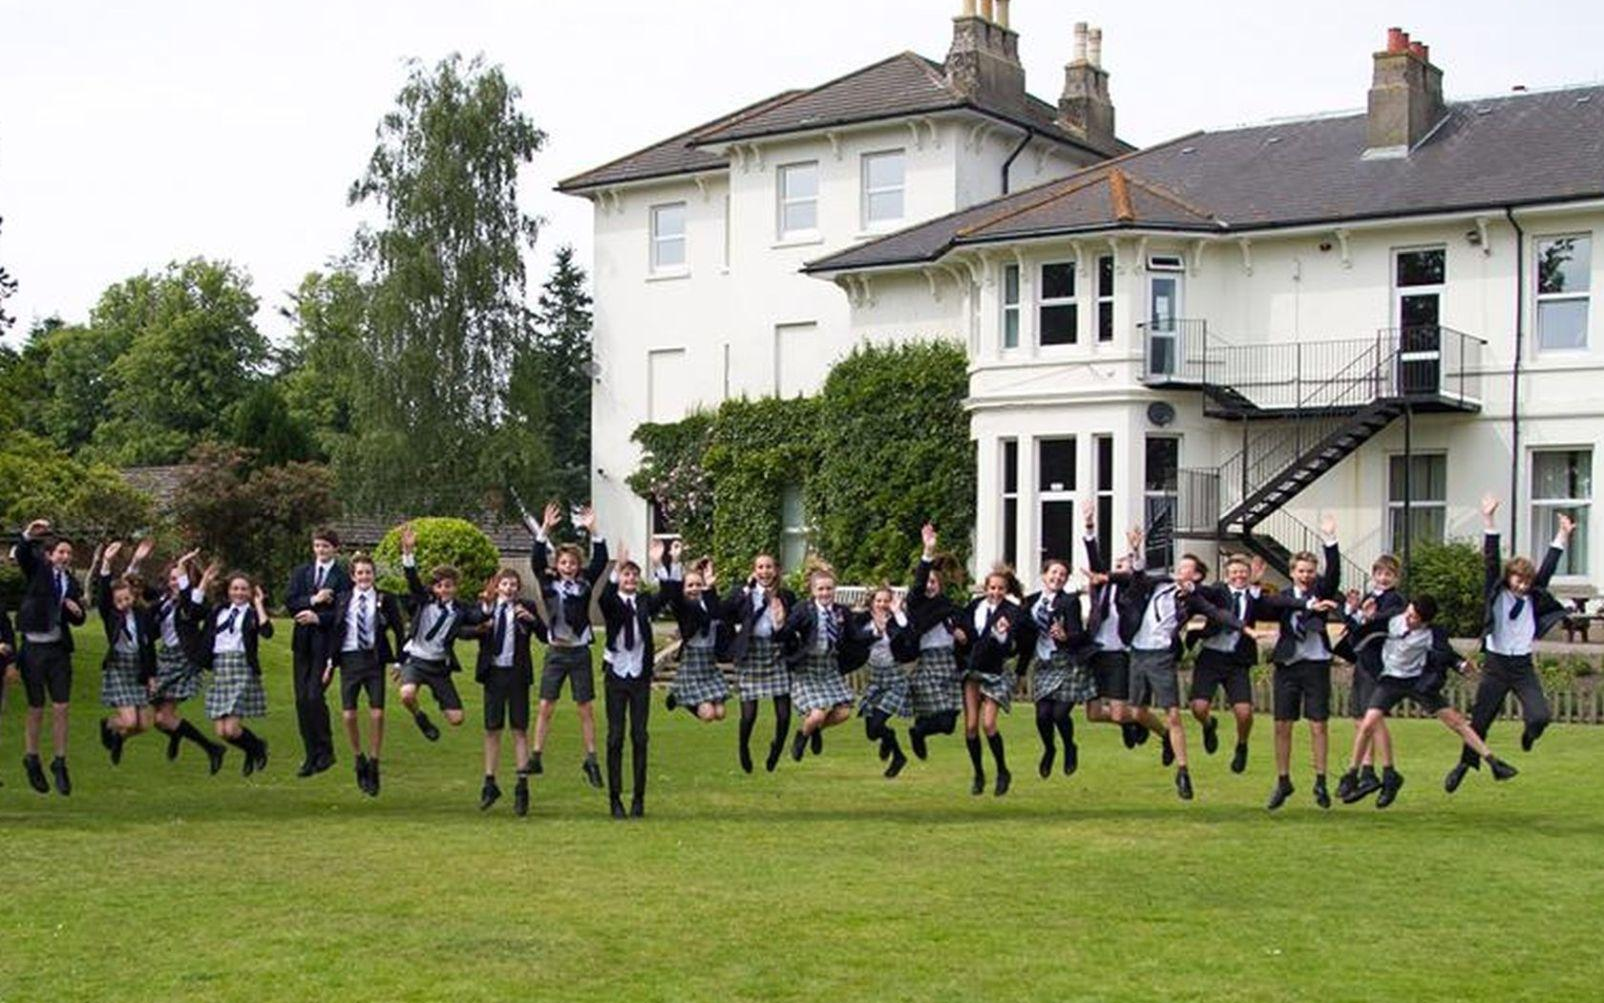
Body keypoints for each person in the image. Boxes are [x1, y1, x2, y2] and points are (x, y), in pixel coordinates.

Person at [1445, 494, 1573, 793]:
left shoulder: (1533, 596)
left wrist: (1563, 535)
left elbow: (1549, 567)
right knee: (1480, 721)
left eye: (1526, 582)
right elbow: (1491, 560)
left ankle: (1530, 734)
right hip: (1497, 664)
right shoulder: (1497, 593)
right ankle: (1465, 764)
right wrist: (1488, 520)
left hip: (1522, 665)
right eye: (1518, 580)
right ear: (1509, 578)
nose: (1522, 586)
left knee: (1541, 715)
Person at [1089, 551, 1242, 801]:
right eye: (1179, 567)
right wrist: (1111, 570)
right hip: (1137, 654)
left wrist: (1243, 628)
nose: (1180, 571)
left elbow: (1215, 611)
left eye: (1186, 568)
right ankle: (1164, 738)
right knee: (1137, 713)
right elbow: (1134, 577)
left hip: (1161, 657)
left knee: (1173, 715)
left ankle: (1183, 772)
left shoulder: (1192, 598)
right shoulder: (1158, 583)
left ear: (1197, 575)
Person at [1343, 593, 1517, 807]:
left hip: (1417, 682)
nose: (1408, 619)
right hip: (1390, 680)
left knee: (1456, 722)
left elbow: (1448, 655)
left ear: (1425, 621)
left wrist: (1462, 666)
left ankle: (1493, 762)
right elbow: (1362, 629)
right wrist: (1362, 615)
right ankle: (1352, 774)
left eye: (1414, 617)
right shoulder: (1391, 618)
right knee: (1367, 724)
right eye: (1408, 612)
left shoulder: (1433, 634)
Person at [1258, 515, 1342, 811]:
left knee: (1318, 725)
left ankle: (1320, 780)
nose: (1306, 576)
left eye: (1310, 571)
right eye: (1301, 571)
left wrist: (1330, 541)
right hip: (1288, 665)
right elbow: (1270, 605)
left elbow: (1333, 576)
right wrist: (1306, 605)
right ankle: (1283, 780)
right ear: (1292, 573)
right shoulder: (1283, 598)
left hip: (1316, 664)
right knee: (1282, 724)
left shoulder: (1322, 593)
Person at [124, 541, 226, 772]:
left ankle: (211, 748)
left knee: (162, 718)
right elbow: (132, 587)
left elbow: (193, 608)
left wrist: (194, 576)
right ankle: (190, 741)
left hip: (184, 660)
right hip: (164, 658)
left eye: (178, 579)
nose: (174, 583)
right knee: (160, 716)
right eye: (171, 579)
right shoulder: (162, 601)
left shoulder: (193, 602)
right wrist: (137, 562)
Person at [527, 503, 607, 789]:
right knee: (546, 704)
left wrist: (593, 529)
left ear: (577, 565)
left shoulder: (584, 583)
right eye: (563, 563)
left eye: (572, 563)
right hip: (557, 652)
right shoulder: (548, 583)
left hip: (579, 651)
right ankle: (536, 755)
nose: (568, 568)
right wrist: (545, 528)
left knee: (584, 707)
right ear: (557, 565)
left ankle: (592, 758)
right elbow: (536, 561)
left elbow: (601, 561)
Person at [596, 541, 672, 818]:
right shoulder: (613, 602)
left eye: (633, 575)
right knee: (615, 738)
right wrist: (615, 570)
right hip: (617, 673)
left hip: (639, 675)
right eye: (625, 575)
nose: (629, 579)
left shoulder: (643, 602)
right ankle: (615, 799)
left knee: (639, 737)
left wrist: (659, 565)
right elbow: (604, 598)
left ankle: (639, 798)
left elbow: (666, 595)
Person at [13, 519, 87, 796]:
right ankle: (32, 757)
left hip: (57, 650)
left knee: (61, 707)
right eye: (60, 553)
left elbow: (76, 618)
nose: (65, 557)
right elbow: (22, 554)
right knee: (36, 707)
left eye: (68, 553)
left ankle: (60, 761)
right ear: (49, 555)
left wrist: (76, 611)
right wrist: (29, 534)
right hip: (33, 648)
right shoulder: (38, 571)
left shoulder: (70, 582)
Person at [325, 554, 406, 796]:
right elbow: (335, 631)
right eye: (359, 573)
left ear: (373, 575)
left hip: (373, 660)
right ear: (352, 576)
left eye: (368, 572)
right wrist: (330, 663)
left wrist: (400, 660)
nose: (364, 577)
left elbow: (399, 629)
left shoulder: (384, 599)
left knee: (377, 713)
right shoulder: (342, 599)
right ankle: (358, 758)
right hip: (349, 659)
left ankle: (374, 761)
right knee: (349, 715)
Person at [471, 567, 546, 816]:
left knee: (519, 728)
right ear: (497, 586)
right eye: (505, 584)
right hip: (494, 673)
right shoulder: (487, 606)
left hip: (517, 675)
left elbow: (545, 635)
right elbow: (465, 630)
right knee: (492, 728)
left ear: (519, 587)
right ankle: (489, 781)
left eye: (514, 584)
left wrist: (531, 620)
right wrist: (482, 622)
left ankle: (522, 786)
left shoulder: (526, 607)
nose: (509, 588)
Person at [185, 562, 272, 775]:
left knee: (232, 728)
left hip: (241, 668)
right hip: (221, 668)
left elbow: (267, 631)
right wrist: (204, 580)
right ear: (228, 590)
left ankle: (258, 749)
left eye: (244, 589)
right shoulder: (218, 611)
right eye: (235, 588)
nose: (239, 593)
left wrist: (259, 604)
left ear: (250, 592)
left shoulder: (251, 614)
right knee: (222, 732)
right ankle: (254, 747)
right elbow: (193, 611)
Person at [1333, 554, 1406, 803]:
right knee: (1359, 717)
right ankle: (1368, 770)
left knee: (1373, 719)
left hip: (1379, 665)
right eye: (1379, 573)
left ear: (1396, 578)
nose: (1383, 578)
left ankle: (1387, 771)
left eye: (1388, 574)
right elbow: (1355, 628)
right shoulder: (1370, 598)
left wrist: (1370, 616)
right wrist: (1352, 611)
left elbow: (1388, 623)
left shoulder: (1394, 600)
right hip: (1363, 662)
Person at [1186, 553, 1268, 774]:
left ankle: (1242, 745)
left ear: (1248, 574)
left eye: (1243, 572)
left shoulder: (1254, 596)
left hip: (1236, 660)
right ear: (1227, 575)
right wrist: (1191, 586)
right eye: (1234, 573)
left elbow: (1269, 604)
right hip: (1211, 656)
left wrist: (1257, 582)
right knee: (1199, 708)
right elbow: (1205, 592)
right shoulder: (1219, 592)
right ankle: (1208, 725)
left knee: (1244, 713)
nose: (1239, 576)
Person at [396, 524, 479, 741]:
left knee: (457, 719)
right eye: (440, 586)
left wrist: (488, 607)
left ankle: (437, 694)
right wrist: (408, 553)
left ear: (455, 587)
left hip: (439, 667)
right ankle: (420, 717)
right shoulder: (424, 602)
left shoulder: (460, 610)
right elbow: (412, 580)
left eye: (449, 586)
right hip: (415, 660)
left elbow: (476, 618)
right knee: (407, 694)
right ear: (434, 588)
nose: (444, 590)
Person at [1081, 504, 1154, 750]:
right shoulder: (1101, 584)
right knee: (1092, 714)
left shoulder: (1132, 593)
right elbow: (1095, 560)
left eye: (1126, 564)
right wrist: (1089, 525)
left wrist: (1135, 549)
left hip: (1117, 655)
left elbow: (1136, 576)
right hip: (1094, 653)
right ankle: (1128, 723)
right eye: (1119, 563)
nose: (1120, 567)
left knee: (1119, 712)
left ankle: (1147, 726)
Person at [1015, 557, 1095, 779]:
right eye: (1053, 572)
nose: (1057, 577)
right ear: (1044, 575)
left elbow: (1080, 635)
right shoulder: (1030, 603)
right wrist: (1020, 672)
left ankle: (1070, 747)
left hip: (1067, 662)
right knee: (1042, 717)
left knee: (1059, 714)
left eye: (1062, 574)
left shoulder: (1069, 602)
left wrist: (1066, 636)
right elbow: (1025, 641)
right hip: (1043, 664)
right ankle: (1049, 749)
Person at [776, 563, 865, 762]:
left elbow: (855, 635)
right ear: (813, 590)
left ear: (835, 589)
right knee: (816, 715)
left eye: (829, 588)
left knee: (843, 713)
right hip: (806, 668)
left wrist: (876, 632)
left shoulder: (841, 612)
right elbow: (787, 632)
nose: (825, 593)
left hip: (829, 667)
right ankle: (803, 735)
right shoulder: (803, 609)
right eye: (821, 589)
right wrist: (780, 624)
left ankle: (814, 730)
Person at [284, 528, 349, 778]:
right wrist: (313, 600)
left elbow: (342, 614)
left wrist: (318, 618)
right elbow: (290, 601)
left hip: (324, 643)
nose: (321, 551)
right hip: (301, 642)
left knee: (314, 695)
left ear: (335, 548)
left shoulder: (342, 577)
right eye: (317, 546)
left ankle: (326, 748)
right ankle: (311, 754)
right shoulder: (302, 573)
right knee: (301, 700)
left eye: (325, 546)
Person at [955, 564, 1024, 797]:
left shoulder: (1011, 612)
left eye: (1000, 588)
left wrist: (1011, 648)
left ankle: (1003, 771)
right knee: (971, 726)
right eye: (992, 587)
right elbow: (961, 628)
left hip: (995, 671)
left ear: (1006, 590)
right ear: (985, 588)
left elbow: (1013, 639)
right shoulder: (974, 606)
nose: (995, 592)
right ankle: (978, 773)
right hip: (972, 671)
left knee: (989, 724)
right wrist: (960, 635)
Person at [724, 553, 797, 773]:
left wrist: (781, 623)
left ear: (775, 570)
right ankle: (743, 747)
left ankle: (776, 749)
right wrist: (746, 590)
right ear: (754, 571)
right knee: (749, 715)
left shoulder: (786, 596)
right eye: (760, 567)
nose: (764, 571)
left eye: (768, 567)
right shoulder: (744, 594)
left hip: (775, 653)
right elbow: (726, 611)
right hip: (752, 653)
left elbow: (792, 628)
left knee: (784, 715)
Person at [92, 542, 158, 767]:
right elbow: (102, 595)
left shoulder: (142, 614)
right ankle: (111, 725)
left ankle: (117, 736)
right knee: (129, 721)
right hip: (119, 666)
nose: (123, 604)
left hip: (138, 668)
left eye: (126, 599)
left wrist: (151, 676)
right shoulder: (111, 615)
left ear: (133, 597)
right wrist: (106, 563)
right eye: (118, 601)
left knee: (142, 726)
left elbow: (148, 648)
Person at [905, 524, 966, 762]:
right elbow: (918, 585)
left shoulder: (947, 605)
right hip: (928, 662)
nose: (929, 585)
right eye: (927, 582)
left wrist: (962, 633)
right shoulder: (917, 604)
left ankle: (919, 728)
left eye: (934, 582)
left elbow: (963, 624)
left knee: (950, 723)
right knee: (940, 717)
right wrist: (927, 552)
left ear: (940, 584)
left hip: (949, 663)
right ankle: (918, 730)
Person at [659, 543, 732, 722]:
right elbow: (675, 595)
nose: (694, 588)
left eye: (698, 585)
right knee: (708, 715)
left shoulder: (709, 599)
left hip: (708, 663)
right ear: (684, 589)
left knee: (721, 714)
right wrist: (675, 561)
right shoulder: (683, 607)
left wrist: (709, 586)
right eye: (690, 585)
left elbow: (715, 614)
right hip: (693, 663)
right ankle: (680, 698)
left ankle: (683, 696)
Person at [851, 586, 916, 779]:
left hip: (895, 678)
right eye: (878, 601)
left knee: (878, 722)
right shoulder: (863, 620)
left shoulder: (896, 621)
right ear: (872, 602)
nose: (882, 605)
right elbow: (853, 636)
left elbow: (908, 633)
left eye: (886, 601)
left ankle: (898, 757)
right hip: (875, 679)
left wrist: (897, 612)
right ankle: (890, 741)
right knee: (872, 732)